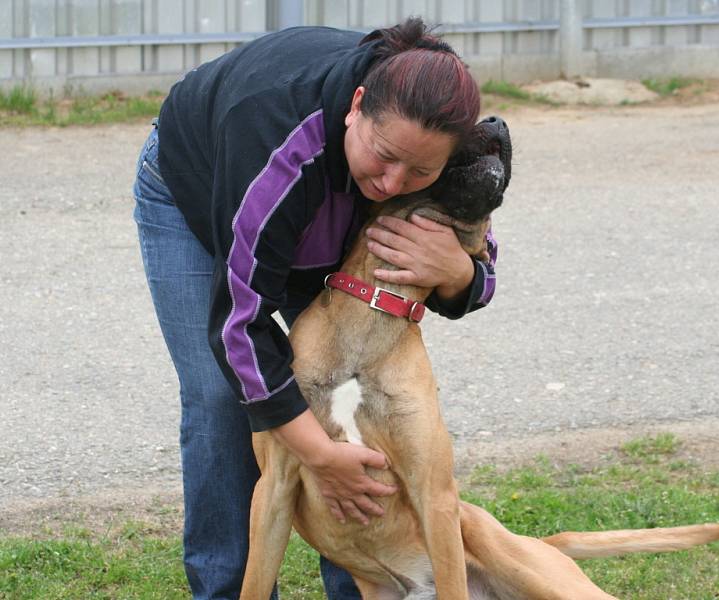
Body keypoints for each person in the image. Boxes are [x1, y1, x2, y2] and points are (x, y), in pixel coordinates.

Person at [132, 17, 498, 600]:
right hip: (200, 194)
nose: (395, 183)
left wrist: (459, 272)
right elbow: (241, 324)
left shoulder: (428, 130)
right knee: (224, 396)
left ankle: (357, 587)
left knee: (351, 388)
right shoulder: (275, 137)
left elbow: (473, 247)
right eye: (384, 157)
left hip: (321, 210)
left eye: (420, 172)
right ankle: (227, 590)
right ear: (357, 106)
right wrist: (318, 454)